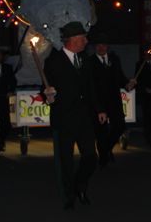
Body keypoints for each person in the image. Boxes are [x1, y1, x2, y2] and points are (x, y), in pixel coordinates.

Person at [43, 21, 106, 210]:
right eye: (83, 38)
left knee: (91, 157)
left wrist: (99, 109)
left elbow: (90, 88)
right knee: (66, 160)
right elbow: (45, 88)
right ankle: (69, 195)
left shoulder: (84, 59)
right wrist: (48, 96)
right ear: (72, 40)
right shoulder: (54, 61)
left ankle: (80, 184)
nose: (86, 41)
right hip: (64, 118)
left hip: (84, 117)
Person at [88, 31, 136, 167]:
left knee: (120, 126)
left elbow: (120, 77)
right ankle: (103, 158)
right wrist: (98, 107)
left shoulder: (114, 59)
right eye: (98, 45)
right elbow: (90, 86)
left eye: (103, 45)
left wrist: (127, 84)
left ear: (107, 46)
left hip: (114, 101)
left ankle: (105, 149)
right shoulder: (90, 62)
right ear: (95, 47)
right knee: (101, 132)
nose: (101, 48)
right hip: (99, 103)